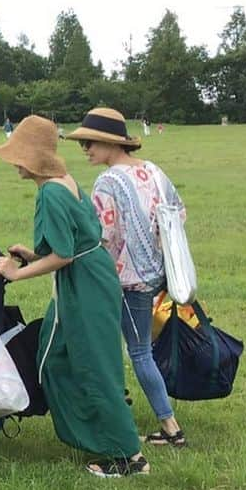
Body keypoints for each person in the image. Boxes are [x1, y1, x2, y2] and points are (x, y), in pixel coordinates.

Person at [0, 115, 149, 477]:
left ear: (31, 157)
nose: (13, 163)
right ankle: (99, 433)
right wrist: (33, 256)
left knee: (94, 364)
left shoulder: (50, 191)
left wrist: (16, 272)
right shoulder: (63, 181)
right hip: (85, 276)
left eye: (17, 156)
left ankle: (128, 457)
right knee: (56, 357)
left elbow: (63, 255)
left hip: (86, 283)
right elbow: (75, 242)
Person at [67, 107, 187, 447]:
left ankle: (171, 427)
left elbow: (100, 236)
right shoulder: (152, 170)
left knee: (138, 352)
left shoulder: (108, 181)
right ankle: (122, 406)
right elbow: (179, 212)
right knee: (134, 347)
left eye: (90, 143)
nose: (86, 149)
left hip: (125, 280)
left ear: (111, 143)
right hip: (156, 274)